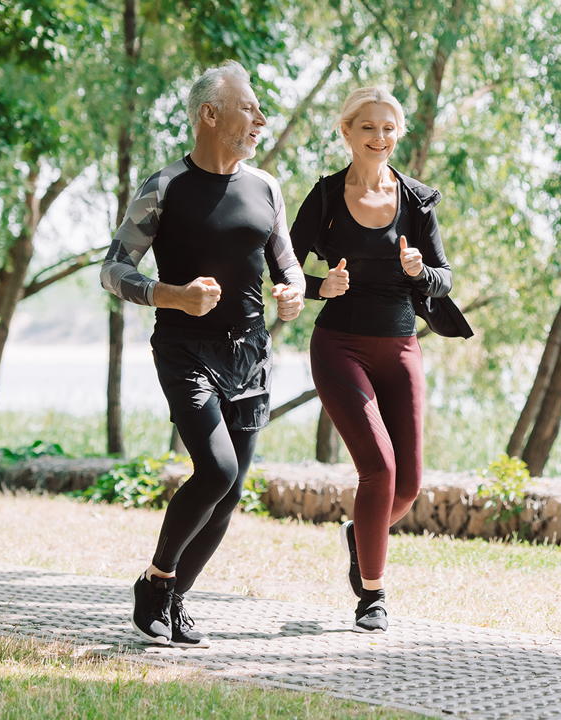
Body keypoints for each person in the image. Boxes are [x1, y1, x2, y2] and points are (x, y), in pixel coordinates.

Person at [100, 60, 305, 648]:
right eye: (249, 108)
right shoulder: (164, 188)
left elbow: (283, 259)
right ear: (210, 115)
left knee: (233, 490)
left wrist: (290, 292)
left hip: (251, 354)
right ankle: (156, 579)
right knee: (214, 470)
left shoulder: (265, 186)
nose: (261, 119)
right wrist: (171, 296)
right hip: (184, 349)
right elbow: (113, 269)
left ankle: (176, 599)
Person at [290, 87, 468, 633]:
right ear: (346, 133)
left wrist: (419, 272)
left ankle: (359, 535)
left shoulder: (416, 201)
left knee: (408, 485)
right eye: (368, 128)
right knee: (380, 470)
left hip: (401, 347)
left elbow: (445, 278)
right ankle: (372, 595)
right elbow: (286, 270)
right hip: (339, 346)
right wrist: (324, 286)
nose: (380, 138)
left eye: (389, 128)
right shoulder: (323, 198)